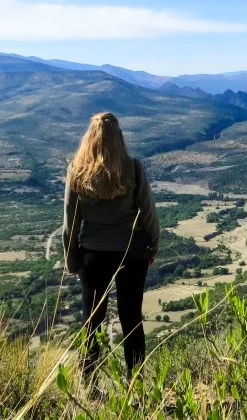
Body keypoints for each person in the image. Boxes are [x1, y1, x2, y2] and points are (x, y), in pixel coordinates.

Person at [62, 112, 160, 380]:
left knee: (92, 321)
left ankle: (89, 383)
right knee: (131, 320)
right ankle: (135, 383)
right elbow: (148, 213)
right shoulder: (133, 168)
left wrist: (72, 260)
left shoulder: (77, 171)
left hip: (93, 256)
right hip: (132, 253)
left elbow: (70, 224)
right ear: (120, 137)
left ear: (89, 138)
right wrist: (152, 247)